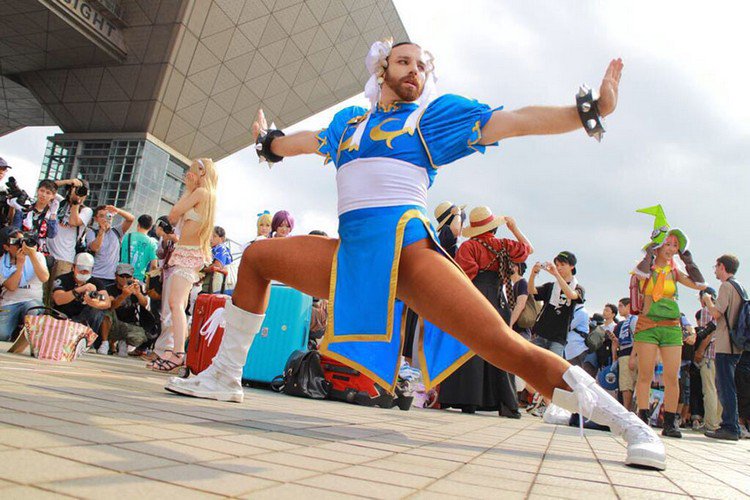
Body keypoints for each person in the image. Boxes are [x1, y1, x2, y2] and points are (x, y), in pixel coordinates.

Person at [166, 41, 660, 469]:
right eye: (404, 62)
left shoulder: (430, 118)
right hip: (353, 258)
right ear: (382, 69)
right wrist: (269, 143)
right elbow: (297, 142)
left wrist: (589, 110)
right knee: (256, 257)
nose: (414, 71)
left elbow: (513, 122)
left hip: (411, 256)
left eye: (421, 66)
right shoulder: (348, 125)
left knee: (505, 347)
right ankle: (224, 377)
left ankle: (630, 426)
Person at [439, 207, 532, 417]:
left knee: (470, 346)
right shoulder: (504, 244)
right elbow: (528, 249)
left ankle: (467, 400)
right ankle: (506, 403)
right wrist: (514, 228)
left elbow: (465, 275)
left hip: (476, 297)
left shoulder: (469, 246)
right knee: (501, 348)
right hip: (499, 300)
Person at [631, 205, 706, 439]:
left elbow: (699, 285)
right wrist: (650, 254)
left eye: (676, 245)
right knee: (645, 374)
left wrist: (688, 260)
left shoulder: (675, 272)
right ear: (659, 244)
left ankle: (671, 422)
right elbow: (640, 275)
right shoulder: (646, 268)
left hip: (672, 326)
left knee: (672, 377)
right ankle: (642, 418)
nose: (672, 249)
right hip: (647, 324)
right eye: (669, 244)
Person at [151, 158, 216, 372]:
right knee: (175, 304)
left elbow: (173, 214)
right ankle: (175, 351)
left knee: (176, 304)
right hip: (187, 253)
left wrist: (188, 189)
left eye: (193, 172)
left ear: (202, 174)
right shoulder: (206, 195)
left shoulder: (201, 193)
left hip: (189, 254)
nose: (189, 176)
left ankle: (178, 352)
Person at [702, 254, 745, 440]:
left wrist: (708, 300)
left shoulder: (726, 286)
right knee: (728, 385)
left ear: (722, 266)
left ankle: (730, 427)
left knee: (725, 386)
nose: (715, 270)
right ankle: (731, 425)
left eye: (716, 266)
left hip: (726, 343)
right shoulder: (740, 287)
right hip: (737, 343)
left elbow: (716, 313)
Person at [529, 251, 585, 359]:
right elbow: (531, 290)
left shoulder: (578, 288)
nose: (559, 268)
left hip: (558, 337)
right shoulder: (551, 286)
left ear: (572, 266)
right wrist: (533, 274)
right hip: (541, 333)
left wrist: (556, 275)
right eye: (557, 265)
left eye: (563, 265)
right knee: (532, 364)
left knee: (552, 367)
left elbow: (571, 294)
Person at [51, 252, 111, 352]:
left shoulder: (96, 282)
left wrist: (94, 302)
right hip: (65, 318)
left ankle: (88, 342)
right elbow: (58, 299)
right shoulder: (62, 279)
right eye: (81, 270)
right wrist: (80, 289)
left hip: (84, 318)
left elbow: (107, 302)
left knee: (98, 312)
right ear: (73, 267)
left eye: (86, 271)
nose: (83, 273)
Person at [0, 227, 49, 341]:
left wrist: (31, 255)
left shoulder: (37, 256)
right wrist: (20, 265)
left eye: (22, 241)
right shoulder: (2, 263)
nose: (20, 245)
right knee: (1, 335)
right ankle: (15, 331)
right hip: (10, 302)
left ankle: (27, 334)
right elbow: (11, 287)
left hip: (31, 301)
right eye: (15, 242)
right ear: (6, 247)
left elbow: (44, 277)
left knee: (32, 310)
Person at [46, 178, 93, 282]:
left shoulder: (86, 210)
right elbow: (48, 187)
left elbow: (73, 222)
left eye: (82, 191)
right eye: (75, 189)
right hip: (47, 253)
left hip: (64, 258)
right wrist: (68, 182)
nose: (79, 193)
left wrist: (76, 202)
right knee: (42, 293)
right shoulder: (59, 202)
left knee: (56, 293)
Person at [105, 263, 152, 356]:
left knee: (140, 337)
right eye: (122, 276)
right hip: (113, 323)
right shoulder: (109, 289)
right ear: (116, 276)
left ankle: (123, 342)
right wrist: (123, 296)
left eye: (128, 276)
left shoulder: (135, 288)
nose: (125, 279)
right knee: (106, 314)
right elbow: (111, 306)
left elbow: (144, 304)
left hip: (128, 324)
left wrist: (138, 294)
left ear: (132, 277)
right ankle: (106, 343)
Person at [86, 205, 135, 288]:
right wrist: (102, 231)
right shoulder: (92, 232)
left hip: (112, 277)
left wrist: (117, 210)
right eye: (101, 216)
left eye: (108, 216)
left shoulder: (117, 231)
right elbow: (95, 248)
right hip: (94, 275)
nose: (105, 218)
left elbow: (131, 219)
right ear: (96, 219)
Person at [10, 179, 59, 258]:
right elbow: (15, 229)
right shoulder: (26, 207)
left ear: (53, 196)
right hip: (20, 250)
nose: (43, 195)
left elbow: (51, 234)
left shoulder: (51, 213)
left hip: (38, 253)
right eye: (42, 191)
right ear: (37, 190)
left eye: (48, 193)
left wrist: (53, 214)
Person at [694, 288, 720, 432]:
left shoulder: (706, 311)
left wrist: (699, 351)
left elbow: (707, 335)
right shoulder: (721, 309)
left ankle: (710, 423)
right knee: (718, 390)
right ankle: (718, 421)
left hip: (709, 355)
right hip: (722, 355)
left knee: (709, 390)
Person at [613, 298, 637, 411]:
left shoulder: (633, 319)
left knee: (627, 385)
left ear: (629, 307)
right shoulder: (624, 322)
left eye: (621, 306)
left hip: (629, 353)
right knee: (625, 384)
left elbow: (637, 339)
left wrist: (633, 356)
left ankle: (628, 410)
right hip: (624, 352)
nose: (619, 309)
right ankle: (627, 409)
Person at [120, 215, 158, 283]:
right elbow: (154, 266)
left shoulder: (126, 236)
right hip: (137, 280)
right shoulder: (152, 243)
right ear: (150, 227)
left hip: (121, 277)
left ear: (138, 224)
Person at [509, 262, 532, 340]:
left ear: (516, 268)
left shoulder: (522, 283)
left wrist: (510, 324)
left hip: (521, 332)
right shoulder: (515, 285)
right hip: (517, 330)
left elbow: (520, 305)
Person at [565, 303, 590, 367]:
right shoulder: (577, 310)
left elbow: (568, 326)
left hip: (578, 348)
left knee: (575, 372)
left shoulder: (581, 312)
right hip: (574, 348)